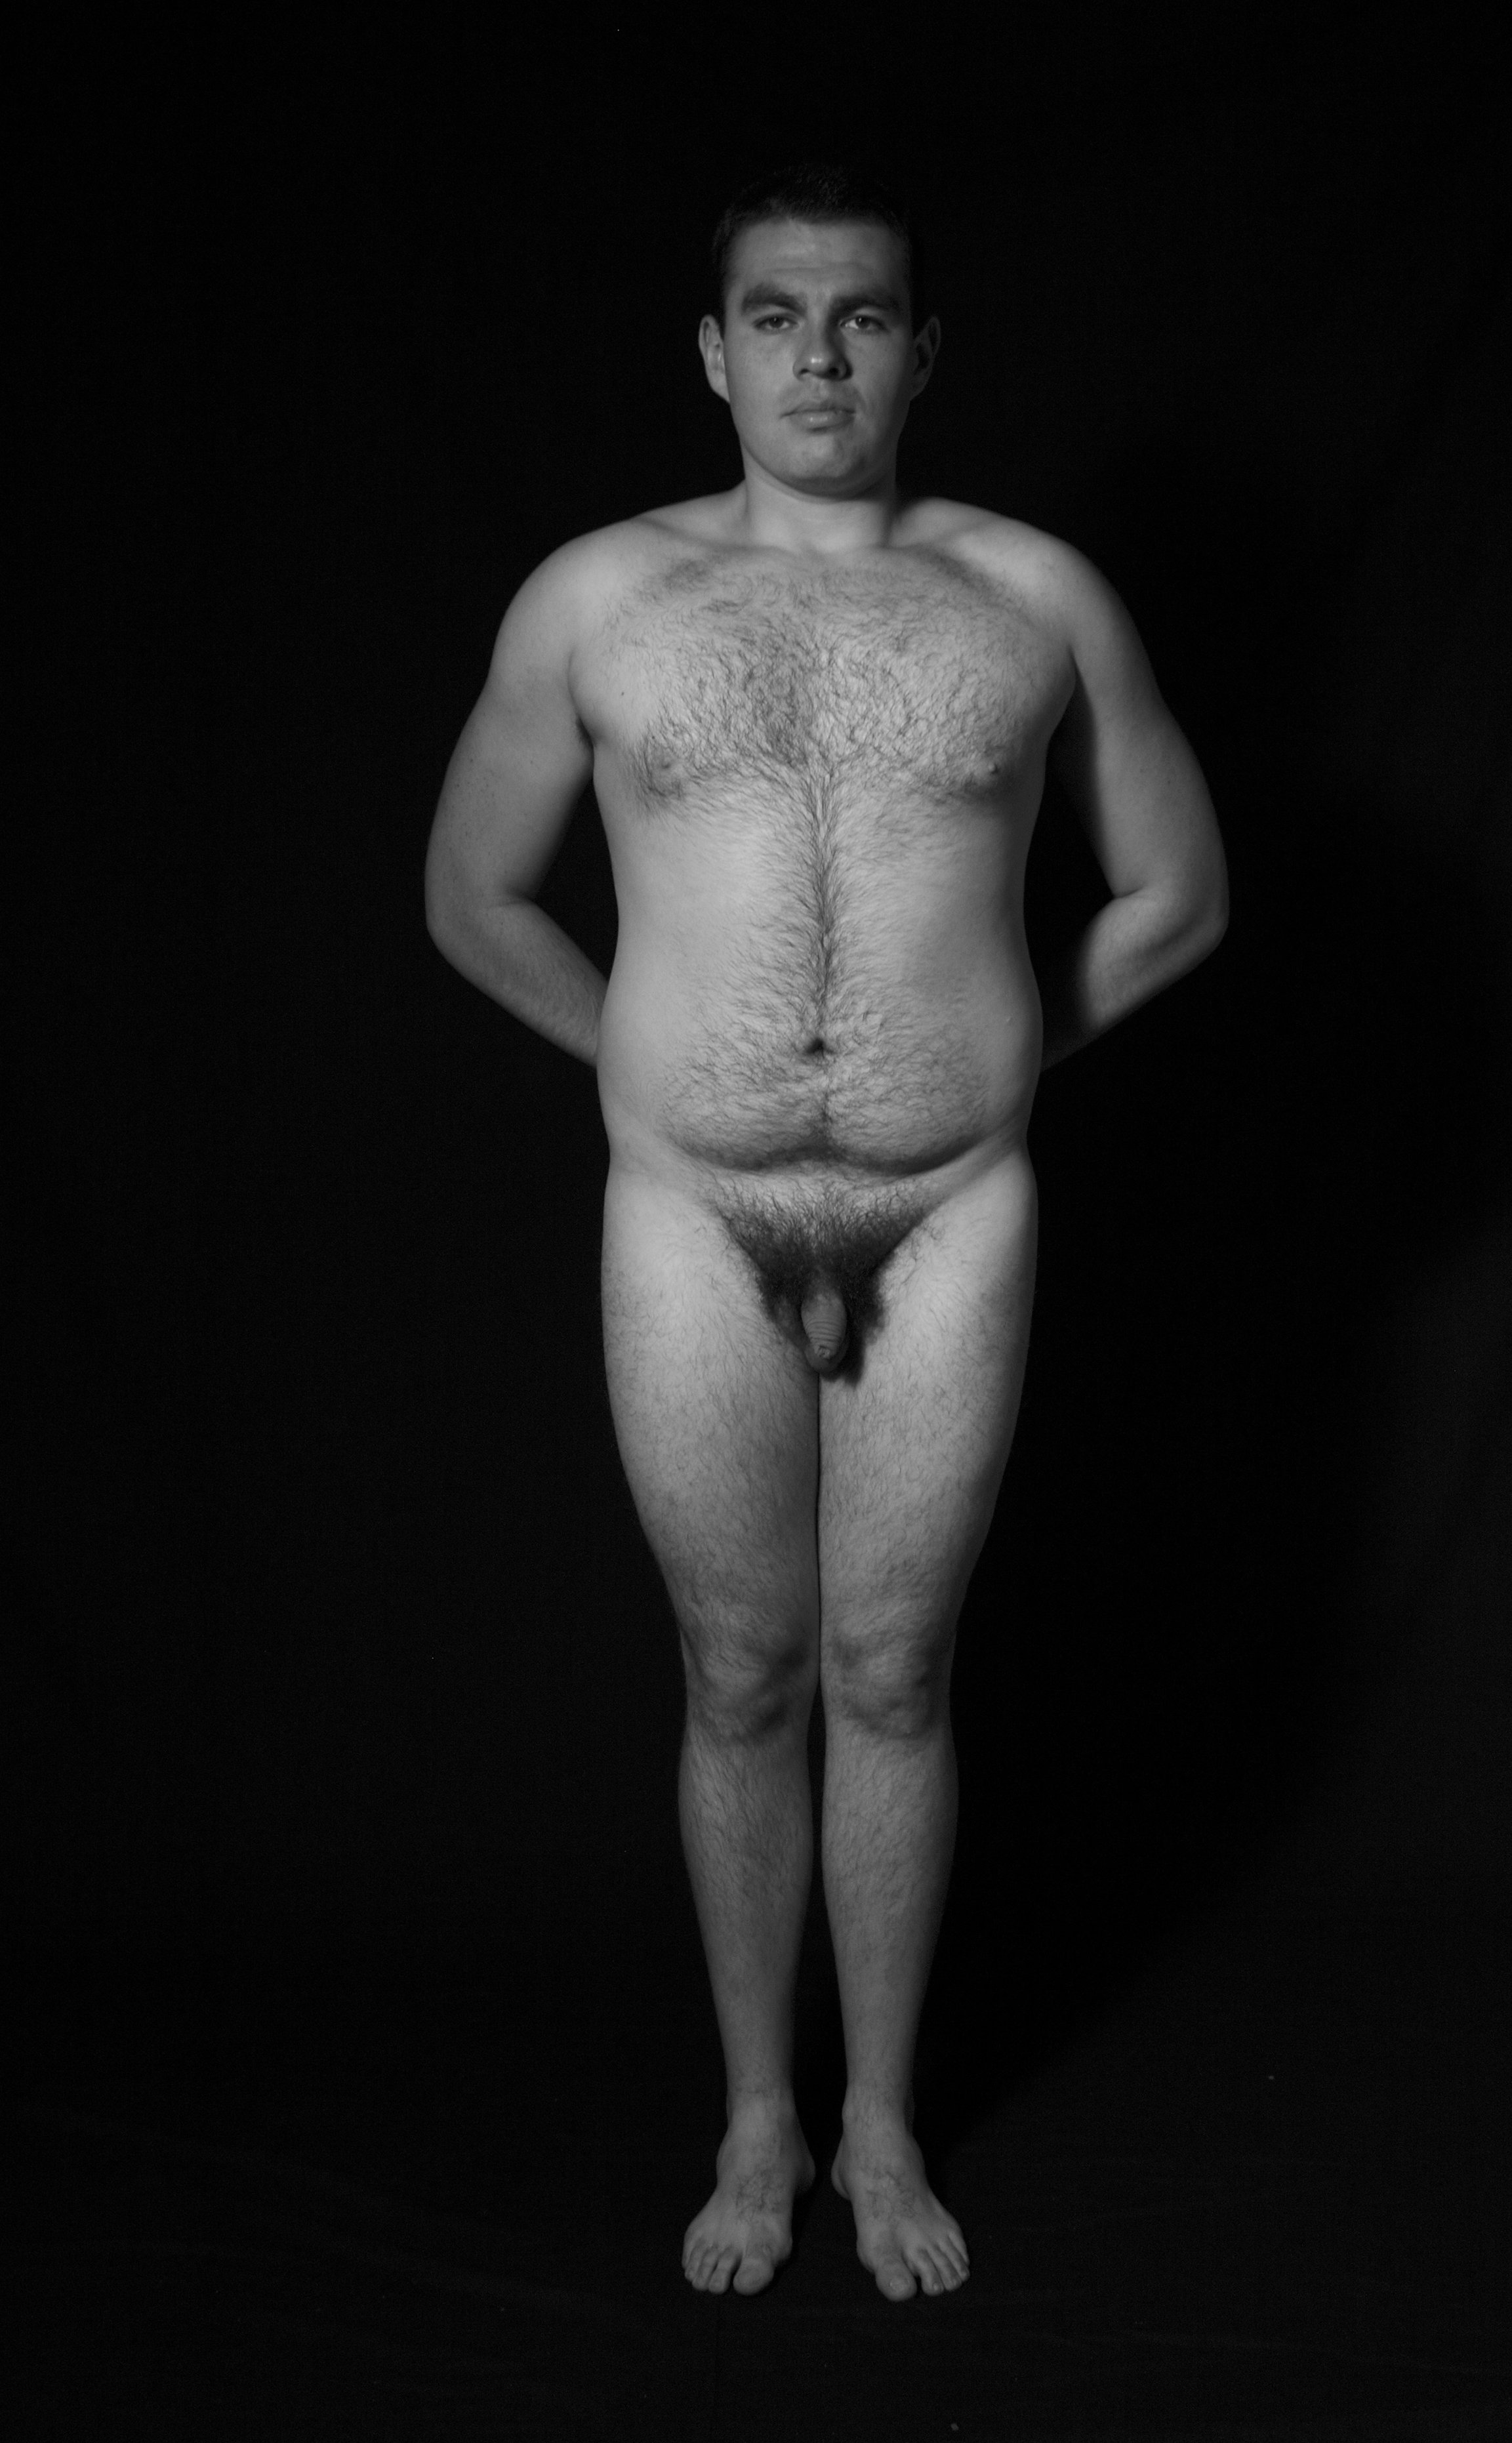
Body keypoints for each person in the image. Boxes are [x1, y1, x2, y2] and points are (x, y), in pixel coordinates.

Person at [424, 161, 1227, 2303]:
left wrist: (991, 1062)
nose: (817, 355)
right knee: (740, 1665)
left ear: (921, 350)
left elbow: (1176, 890)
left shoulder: (1029, 596)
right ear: (712, 353)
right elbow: (470, 893)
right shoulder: (600, 595)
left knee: (891, 1665)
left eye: (860, 316)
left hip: (950, 1208)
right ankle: (755, 2119)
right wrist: (649, 1069)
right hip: (688, 1207)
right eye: (774, 316)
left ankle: (878, 2122)